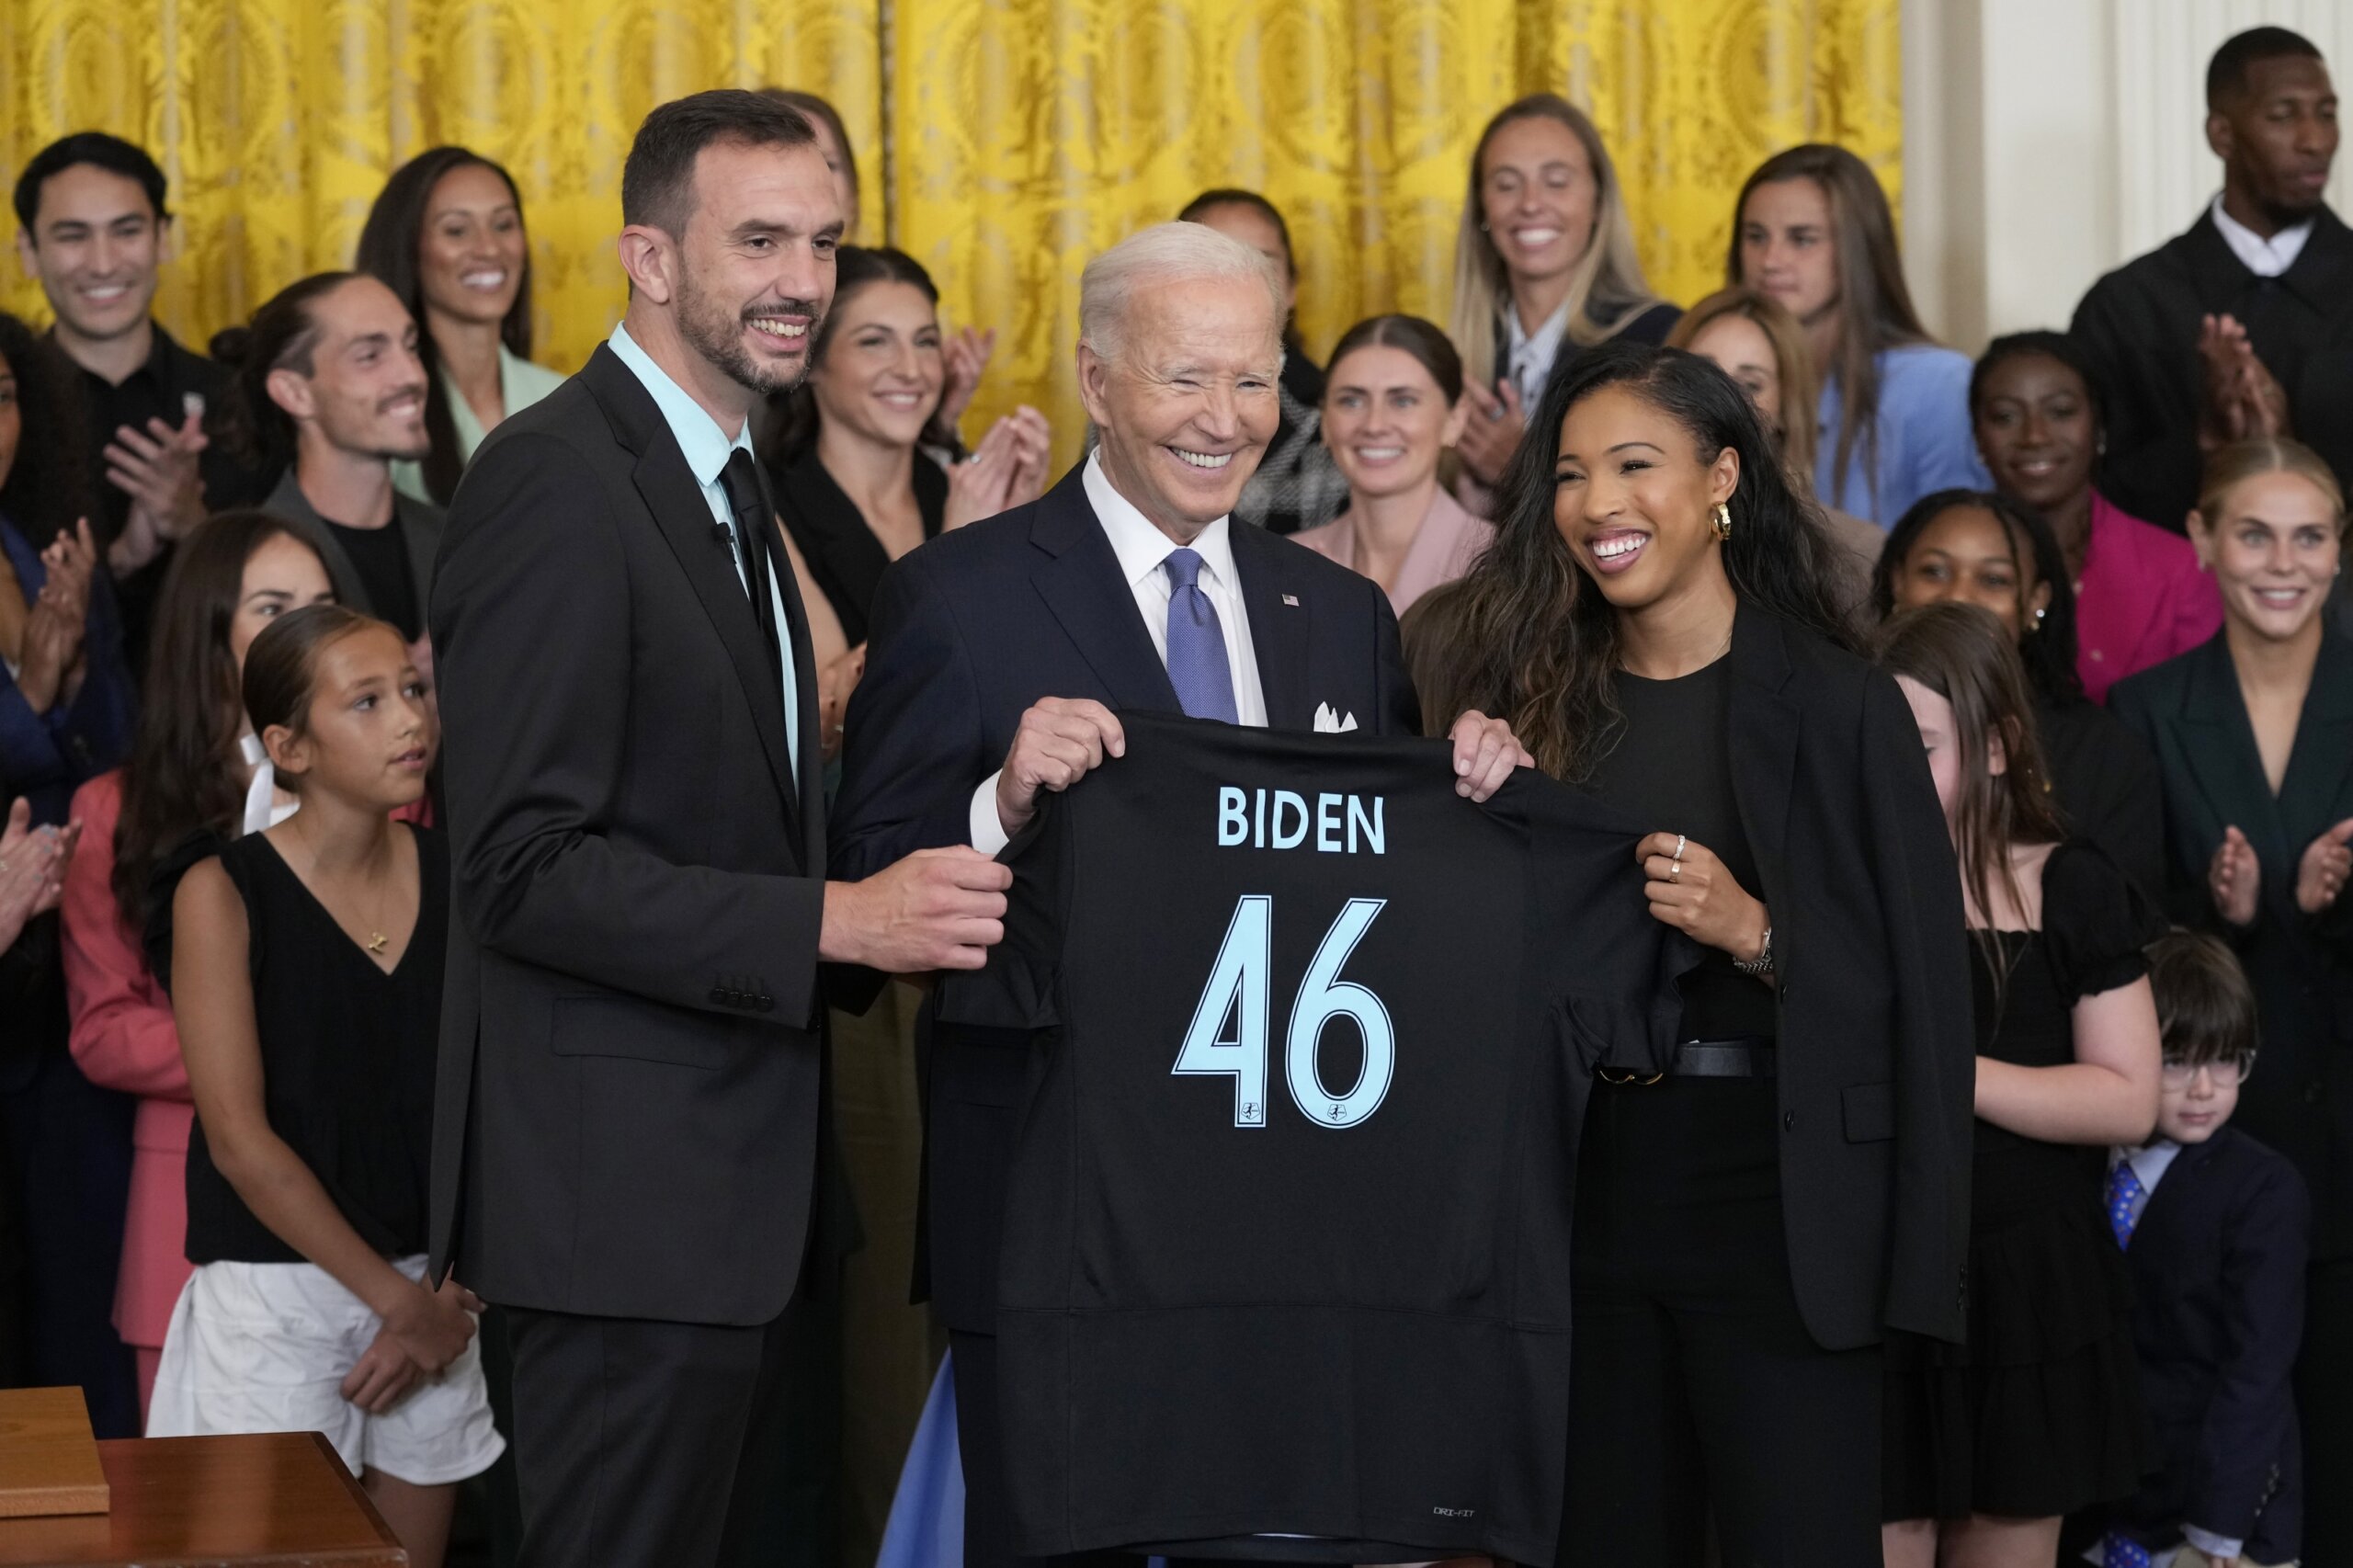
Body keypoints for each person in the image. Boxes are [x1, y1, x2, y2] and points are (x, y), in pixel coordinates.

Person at [832, 219, 1524, 1568]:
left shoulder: (1340, 615)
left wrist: (1473, 788)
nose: (1227, 418)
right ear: (1097, 381)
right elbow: (862, 893)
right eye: (1186, 377)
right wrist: (999, 804)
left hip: (1290, 1222)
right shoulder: (956, 596)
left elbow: (1384, 900)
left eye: (1254, 379)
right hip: (1053, 1222)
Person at [426, 90, 1017, 1568]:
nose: (802, 280)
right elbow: (519, 869)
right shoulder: (555, 480)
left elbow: (737, 806)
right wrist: (841, 918)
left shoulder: (726, 474)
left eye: (822, 243)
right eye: (759, 241)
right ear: (648, 257)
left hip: (743, 1212)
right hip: (621, 1220)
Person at [1442, 339, 1972, 1565]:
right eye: (1570, 474)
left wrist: (1759, 932)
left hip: (1782, 1215)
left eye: (1635, 464)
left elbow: (1929, 1001)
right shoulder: (1532, 704)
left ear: (1722, 477)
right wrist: (1476, 802)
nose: (1597, 503)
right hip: (1582, 1204)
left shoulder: (1842, 703)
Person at [152, 604, 499, 1568]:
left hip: (436, 1286)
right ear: (288, 747)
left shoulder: (461, 876)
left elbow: (501, 1103)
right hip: (279, 1298)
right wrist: (400, 1305)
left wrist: (443, 1294)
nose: (411, 719)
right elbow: (240, 1142)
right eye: (368, 701)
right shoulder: (221, 890)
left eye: (412, 690)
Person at [1873, 601, 2163, 1568]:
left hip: (2029, 1288)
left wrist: (1947, 1075)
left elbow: (2128, 1097)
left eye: (1919, 747)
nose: (1891, 773)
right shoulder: (1849, 886)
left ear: (1995, 747)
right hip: (1882, 1277)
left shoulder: (2070, 884)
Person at [2109, 437, 2353, 1565]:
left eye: (2309, 536)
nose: (2282, 562)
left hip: (2344, 1126)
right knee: (2206, 1421)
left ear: (2340, 551)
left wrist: (2326, 909)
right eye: (2254, 533)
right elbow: (2117, 927)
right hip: (2207, 1132)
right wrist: (2224, 915)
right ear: (2202, 541)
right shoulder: (2145, 707)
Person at [61, 510, 335, 1425]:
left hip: (368, 1208)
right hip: (188, 1212)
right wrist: (257, 1049)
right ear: (207, 633)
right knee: (208, 1504)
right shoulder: (115, 808)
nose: (307, 630)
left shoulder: (383, 800)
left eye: (324, 605)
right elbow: (103, 1030)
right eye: (273, 607)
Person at [0, 307, 142, 1438]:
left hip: (75, 965)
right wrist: (33, 702)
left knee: (76, 1283)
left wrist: (70, 678)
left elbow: (124, 747)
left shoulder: (49, 550)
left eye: (3, 397)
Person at [761, 244, 1051, 753]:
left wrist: (1022, 534)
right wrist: (959, 555)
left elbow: (1024, 667)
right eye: (875, 342)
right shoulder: (769, 504)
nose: (912, 370)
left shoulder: (953, 485)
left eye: (925, 342)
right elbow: (826, 720)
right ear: (812, 360)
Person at [2069, 28, 2347, 534]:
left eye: (2326, 114)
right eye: (2283, 116)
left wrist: (2289, 450)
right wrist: (2206, 445)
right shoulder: (2129, 306)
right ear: (2222, 135)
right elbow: (2092, 502)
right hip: (2173, 580)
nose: (2315, 141)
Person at [12, 132, 267, 667]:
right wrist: (124, 557)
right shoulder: (9, 412)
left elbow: (282, 601)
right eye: (72, 236)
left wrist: (195, 525)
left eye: (126, 231)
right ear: (29, 252)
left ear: (163, 238)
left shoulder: (235, 400)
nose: (104, 263)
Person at [2098, 930, 2309, 1568]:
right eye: (2176, 1061)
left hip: (2222, 1515)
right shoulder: (2092, 1161)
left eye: (2226, 1061)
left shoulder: (2264, 1189)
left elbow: (2257, 1370)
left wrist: (2221, 1525)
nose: (2204, 1089)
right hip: (2109, 1497)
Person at [1874, 489, 2168, 897]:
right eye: (1934, 572)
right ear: (1897, 582)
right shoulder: (1841, 716)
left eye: (1994, 580)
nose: (1958, 597)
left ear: (2035, 602)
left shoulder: (2106, 756)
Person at [1731, 143, 1988, 526]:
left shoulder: (1937, 382)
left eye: (1802, 239)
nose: (1770, 261)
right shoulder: (1722, 367)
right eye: (1755, 236)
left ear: (1858, 248)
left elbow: (1962, 540)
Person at [1447, 95, 1678, 499]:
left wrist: (1520, 467)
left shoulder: (1660, 339)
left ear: (1598, 202)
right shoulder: (1458, 356)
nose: (1530, 204)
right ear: (1482, 209)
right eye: (1506, 185)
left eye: (1556, 182)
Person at [1970, 331, 2222, 701]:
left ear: (2099, 427)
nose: (2034, 436)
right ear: (1977, 436)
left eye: (2061, 412)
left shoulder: (2182, 571)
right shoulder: (1941, 564)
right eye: (2005, 416)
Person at [211, 274, 442, 653]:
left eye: (411, 347)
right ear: (294, 393)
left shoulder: (453, 537)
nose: (413, 375)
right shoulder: (248, 564)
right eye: (370, 357)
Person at [760, 87, 997, 442]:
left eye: (825, 164)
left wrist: (940, 421)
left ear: (854, 194)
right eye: (874, 341)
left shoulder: (888, 285)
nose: (805, 184)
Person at [356, 147, 566, 508]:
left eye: (503, 225)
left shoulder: (564, 397)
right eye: (456, 230)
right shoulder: (379, 405)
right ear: (408, 250)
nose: (489, 248)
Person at [1665, 284, 1886, 602]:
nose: (1721, 397)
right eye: (1703, 374)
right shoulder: (1626, 528)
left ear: (1786, 407)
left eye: (1750, 384)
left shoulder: (1856, 554)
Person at [1178, 188, 1349, 536]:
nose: (1234, 286)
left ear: (1291, 288)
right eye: (1208, 264)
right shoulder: (1126, 390)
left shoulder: (1332, 409)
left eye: (1260, 266)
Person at [1290, 313, 1487, 613]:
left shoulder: (1500, 565)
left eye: (1403, 401)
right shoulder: (1287, 565)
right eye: (1351, 401)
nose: (1374, 425)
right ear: (1325, 421)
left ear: (1455, 419)